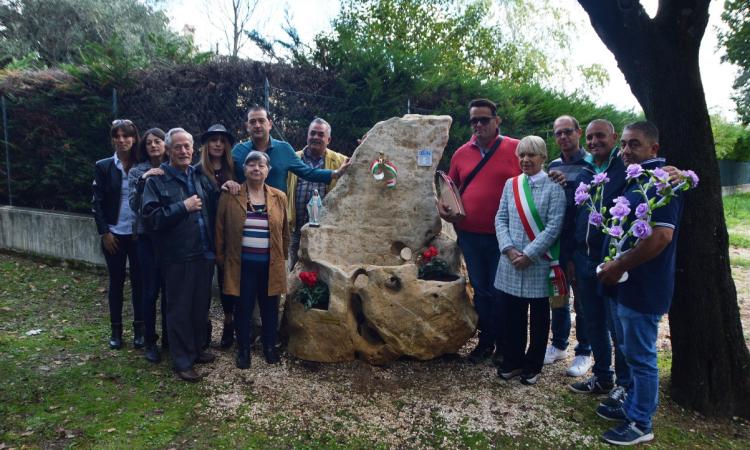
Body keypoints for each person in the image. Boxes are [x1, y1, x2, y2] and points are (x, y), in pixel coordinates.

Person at [597, 121, 684, 445]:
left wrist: (619, 265)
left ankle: (640, 423)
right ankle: (632, 405)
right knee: (630, 352)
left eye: (633, 144)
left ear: (654, 149)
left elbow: (661, 236)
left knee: (642, 359)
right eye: (623, 144)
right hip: (624, 284)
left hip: (645, 287)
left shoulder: (664, 183)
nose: (625, 151)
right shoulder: (638, 179)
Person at [438, 98, 520, 365]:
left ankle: (506, 345)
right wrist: (446, 208)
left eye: (484, 119)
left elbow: (531, 181)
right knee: (481, 290)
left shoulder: (515, 149)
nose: (478, 124)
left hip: (503, 236)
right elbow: (451, 189)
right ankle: (486, 341)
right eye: (473, 120)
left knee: (502, 291)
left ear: (497, 121)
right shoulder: (462, 153)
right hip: (471, 235)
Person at [141, 128, 218, 382]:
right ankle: (182, 360)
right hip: (177, 256)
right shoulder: (157, 180)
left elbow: (213, 202)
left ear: (193, 149)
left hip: (204, 253)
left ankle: (196, 350)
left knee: (199, 307)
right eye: (178, 147)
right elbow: (150, 218)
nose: (183, 151)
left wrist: (227, 185)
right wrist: (181, 207)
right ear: (168, 150)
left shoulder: (198, 175)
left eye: (187, 146)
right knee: (179, 309)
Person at [494, 136, 566, 385]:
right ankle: (512, 361)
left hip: (539, 262)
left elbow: (555, 226)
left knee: (538, 319)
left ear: (543, 157)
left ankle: (533, 365)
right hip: (510, 262)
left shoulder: (555, 187)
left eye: (531, 155)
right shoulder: (510, 184)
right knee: (511, 315)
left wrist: (530, 254)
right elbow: (500, 218)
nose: (525, 160)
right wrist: (509, 249)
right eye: (522, 155)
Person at [568, 119, 631, 403]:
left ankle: (625, 384)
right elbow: (573, 216)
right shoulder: (585, 169)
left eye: (600, 137)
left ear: (614, 137)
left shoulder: (626, 168)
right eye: (590, 138)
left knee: (617, 327)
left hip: (611, 263)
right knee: (592, 321)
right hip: (583, 259)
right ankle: (603, 377)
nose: (594, 142)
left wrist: (673, 171)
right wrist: (570, 256)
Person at [215, 151, 290, 369]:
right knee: (243, 308)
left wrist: (283, 258)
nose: (256, 168)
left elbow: (285, 232)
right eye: (251, 164)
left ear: (268, 170)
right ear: (244, 169)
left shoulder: (279, 197)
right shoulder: (231, 195)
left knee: (270, 308)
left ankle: (269, 347)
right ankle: (244, 349)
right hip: (242, 266)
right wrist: (220, 258)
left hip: (270, 264)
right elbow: (219, 228)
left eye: (261, 165)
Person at [545, 115, 593, 377]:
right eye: (558, 133)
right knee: (558, 296)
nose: (563, 137)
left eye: (567, 132)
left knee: (582, 299)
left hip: (581, 244)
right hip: (557, 244)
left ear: (578, 132)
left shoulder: (592, 165)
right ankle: (558, 344)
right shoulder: (552, 165)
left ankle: (584, 351)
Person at [92, 119, 143, 350]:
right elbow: (97, 203)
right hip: (114, 235)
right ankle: (116, 331)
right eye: (117, 136)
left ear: (134, 138)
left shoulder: (141, 165)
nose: (121, 140)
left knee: (139, 284)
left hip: (137, 235)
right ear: (112, 139)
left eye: (126, 136)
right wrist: (105, 232)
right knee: (116, 282)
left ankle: (139, 331)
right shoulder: (103, 166)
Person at [195, 124, 241, 350]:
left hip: (228, 235)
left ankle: (229, 322)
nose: (217, 144)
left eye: (222, 141)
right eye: (213, 140)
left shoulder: (235, 169)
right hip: (203, 234)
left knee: (227, 282)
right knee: (203, 284)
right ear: (206, 144)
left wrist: (235, 186)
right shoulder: (196, 170)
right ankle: (203, 327)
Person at [231, 106, 350, 192]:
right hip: (244, 213)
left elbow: (308, 172)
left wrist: (335, 173)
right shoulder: (238, 151)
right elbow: (223, 171)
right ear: (247, 126)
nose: (257, 125)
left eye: (261, 121)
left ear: (270, 124)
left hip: (275, 215)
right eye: (252, 122)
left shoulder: (284, 149)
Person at [128, 128, 169, 363]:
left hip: (169, 238)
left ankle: (168, 338)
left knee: (168, 291)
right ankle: (149, 340)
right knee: (150, 290)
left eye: (159, 141)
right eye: (150, 142)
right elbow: (134, 205)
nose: (154, 145)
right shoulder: (137, 172)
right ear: (144, 147)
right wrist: (145, 181)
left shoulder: (173, 167)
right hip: (146, 238)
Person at [286, 118, 347, 267]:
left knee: (320, 272)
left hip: (325, 231)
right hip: (295, 229)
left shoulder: (340, 161)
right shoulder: (293, 158)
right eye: (312, 133)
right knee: (290, 270)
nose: (315, 137)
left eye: (320, 134)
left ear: (329, 139)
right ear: (307, 135)